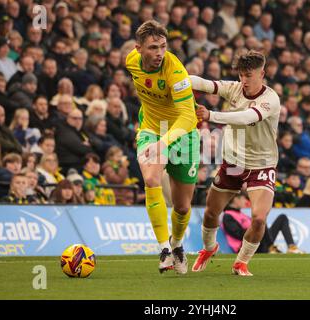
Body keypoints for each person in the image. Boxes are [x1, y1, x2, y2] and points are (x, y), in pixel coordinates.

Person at [190, 50, 281, 276]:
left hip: (261, 164)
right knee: (211, 213)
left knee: (259, 218)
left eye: (248, 75)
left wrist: (211, 116)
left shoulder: (270, 99)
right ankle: (209, 248)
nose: (244, 81)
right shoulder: (234, 88)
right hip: (233, 162)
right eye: (241, 75)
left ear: (262, 73)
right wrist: (176, 78)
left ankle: (241, 261)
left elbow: (247, 117)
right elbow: (204, 83)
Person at [125, 20, 200, 274]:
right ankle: (164, 249)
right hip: (151, 128)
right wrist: (156, 139)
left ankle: (177, 244)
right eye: (153, 47)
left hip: (182, 133)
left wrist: (164, 142)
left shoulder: (175, 71)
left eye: (163, 47)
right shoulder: (131, 62)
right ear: (138, 49)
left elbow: (189, 117)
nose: (159, 53)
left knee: (182, 206)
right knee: (151, 179)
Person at [221, 193, 303, 255]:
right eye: (243, 198)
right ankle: (271, 248)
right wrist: (255, 230)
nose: (246, 201)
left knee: (282, 218)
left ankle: (291, 247)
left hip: (259, 241)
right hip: (245, 247)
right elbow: (238, 234)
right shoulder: (228, 215)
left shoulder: (241, 214)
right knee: (260, 221)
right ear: (235, 199)